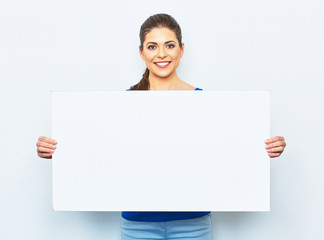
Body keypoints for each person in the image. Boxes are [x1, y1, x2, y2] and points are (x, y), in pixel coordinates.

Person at [36, 13, 287, 240]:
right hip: (137, 226)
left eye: (169, 45)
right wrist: (58, 149)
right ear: (141, 52)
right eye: (152, 46)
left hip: (194, 224)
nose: (162, 53)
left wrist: (265, 147)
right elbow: (96, 150)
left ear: (181, 49)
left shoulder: (207, 104)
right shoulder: (120, 104)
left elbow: (227, 150)